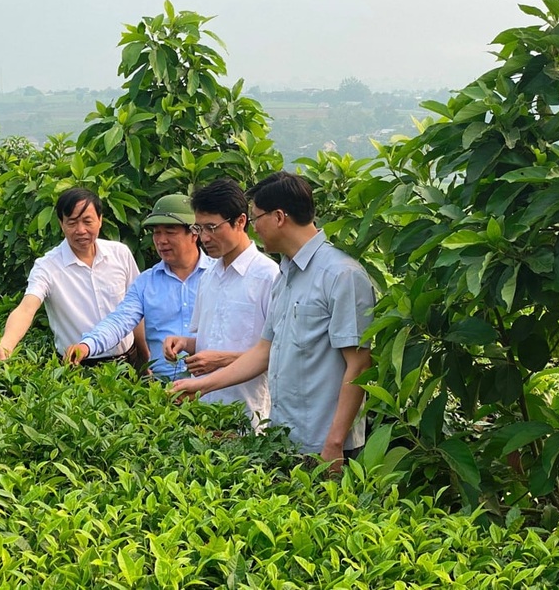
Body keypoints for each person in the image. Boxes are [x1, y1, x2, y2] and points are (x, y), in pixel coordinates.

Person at [170, 172, 375, 471]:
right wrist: (200, 386)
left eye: (256, 219)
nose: (253, 229)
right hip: (285, 439)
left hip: (327, 447)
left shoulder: (342, 275)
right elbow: (265, 351)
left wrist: (334, 442)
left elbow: (359, 366)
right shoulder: (286, 276)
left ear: (279, 217)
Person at [162, 179, 279, 430]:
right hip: (204, 413)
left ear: (241, 221)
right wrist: (185, 343)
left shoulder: (268, 276)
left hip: (248, 416)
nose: (204, 237)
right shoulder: (209, 276)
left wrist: (221, 360)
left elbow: (279, 353)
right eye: (199, 228)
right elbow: (209, 340)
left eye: (212, 227)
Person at [64, 194, 215, 379]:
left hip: (215, 386)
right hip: (164, 390)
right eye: (156, 232)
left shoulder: (218, 276)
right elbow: (119, 321)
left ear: (194, 233)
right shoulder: (146, 282)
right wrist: (86, 346)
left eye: (170, 231)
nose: (161, 240)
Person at [0, 187, 147, 364]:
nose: (80, 230)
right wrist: (7, 344)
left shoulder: (120, 254)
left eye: (87, 221)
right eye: (72, 223)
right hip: (78, 367)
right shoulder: (47, 266)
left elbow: (135, 309)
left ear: (100, 220)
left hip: (128, 360)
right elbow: (27, 308)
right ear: (61, 224)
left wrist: (144, 354)